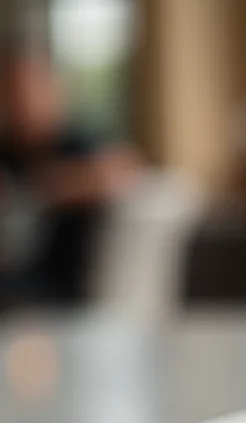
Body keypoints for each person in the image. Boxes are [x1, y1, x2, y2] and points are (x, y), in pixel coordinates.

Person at [0, 48, 141, 305]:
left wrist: (48, 187)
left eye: (28, 89)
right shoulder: (9, 148)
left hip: (63, 279)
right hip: (14, 269)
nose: (21, 101)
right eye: (12, 92)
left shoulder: (78, 138)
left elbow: (125, 172)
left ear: (51, 89)